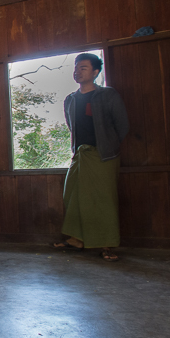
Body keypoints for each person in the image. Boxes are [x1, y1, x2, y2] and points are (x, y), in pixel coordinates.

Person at [55, 53, 129, 261]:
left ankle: (107, 244)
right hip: (80, 154)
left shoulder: (107, 95)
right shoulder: (70, 99)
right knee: (72, 195)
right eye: (76, 68)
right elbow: (72, 127)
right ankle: (76, 239)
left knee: (103, 200)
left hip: (104, 155)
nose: (77, 71)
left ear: (95, 73)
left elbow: (122, 125)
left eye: (83, 68)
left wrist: (108, 145)